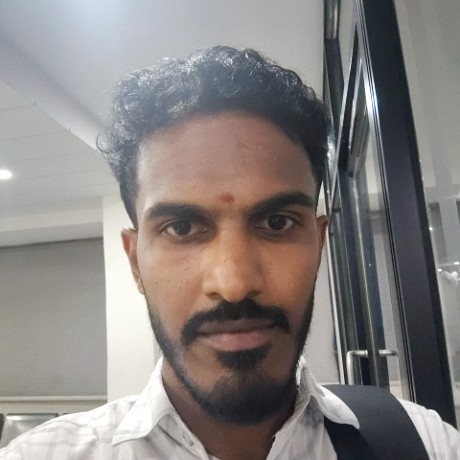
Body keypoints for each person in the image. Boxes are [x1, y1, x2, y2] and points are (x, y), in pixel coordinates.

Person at [1, 46, 459, 460]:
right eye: (182, 227)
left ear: (319, 244)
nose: (235, 283)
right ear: (136, 261)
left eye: (276, 222)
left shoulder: (424, 444)